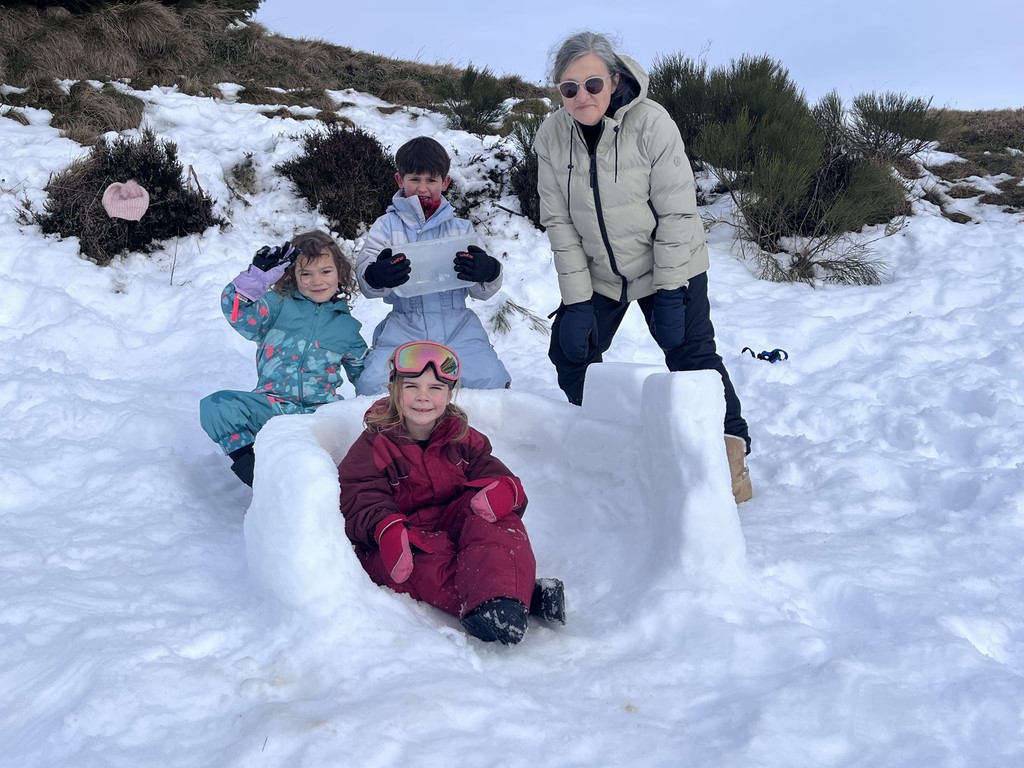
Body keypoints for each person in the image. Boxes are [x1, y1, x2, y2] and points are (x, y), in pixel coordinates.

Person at [533, 31, 753, 504]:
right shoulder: (551, 135)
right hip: (600, 270)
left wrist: (671, 290)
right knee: (571, 352)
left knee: (692, 359)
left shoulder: (652, 123)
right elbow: (560, 222)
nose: (581, 96)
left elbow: (676, 213)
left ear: (614, 80)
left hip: (668, 263)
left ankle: (730, 456)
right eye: (569, 88)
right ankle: (611, 441)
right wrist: (576, 303)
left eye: (592, 84)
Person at [338, 340, 565, 645]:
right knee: (420, 567)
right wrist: (385, 527)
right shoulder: (374, 444)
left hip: (455, 523)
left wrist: (505, 490)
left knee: (497, 521)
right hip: (406, 537)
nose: (423, 397)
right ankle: (512, 595)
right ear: (393, 390)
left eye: (435, 388)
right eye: (412, 386)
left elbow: (489, 470)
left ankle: (503, 593)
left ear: (449, 393)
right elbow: (360, 495)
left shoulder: (461, 437)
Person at [200, 231, 367, 487]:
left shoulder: (347, 327)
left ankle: (334, 484)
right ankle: (257, 472)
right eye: (306, 274)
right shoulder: (276, 305)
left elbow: (366, 376)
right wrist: (255, 279)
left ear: (340, 272)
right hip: (272, 407)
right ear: (292, 275)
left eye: (325, 271)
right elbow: (237, 311)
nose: (317, 281)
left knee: (356, 433)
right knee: (216, 406)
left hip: (321, 414)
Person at [354, 136, 511, 396]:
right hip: (405, 327)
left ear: (445, 182)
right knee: (372, 387)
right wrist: (375, 275)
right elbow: (366, 279)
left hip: (458, 327)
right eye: (415, 179)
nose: (422, 188)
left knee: (491, 382)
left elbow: (482, 291)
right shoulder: (386, 227)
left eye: (431, 180)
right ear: (400, 180)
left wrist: (488, 271)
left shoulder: (461, 229)